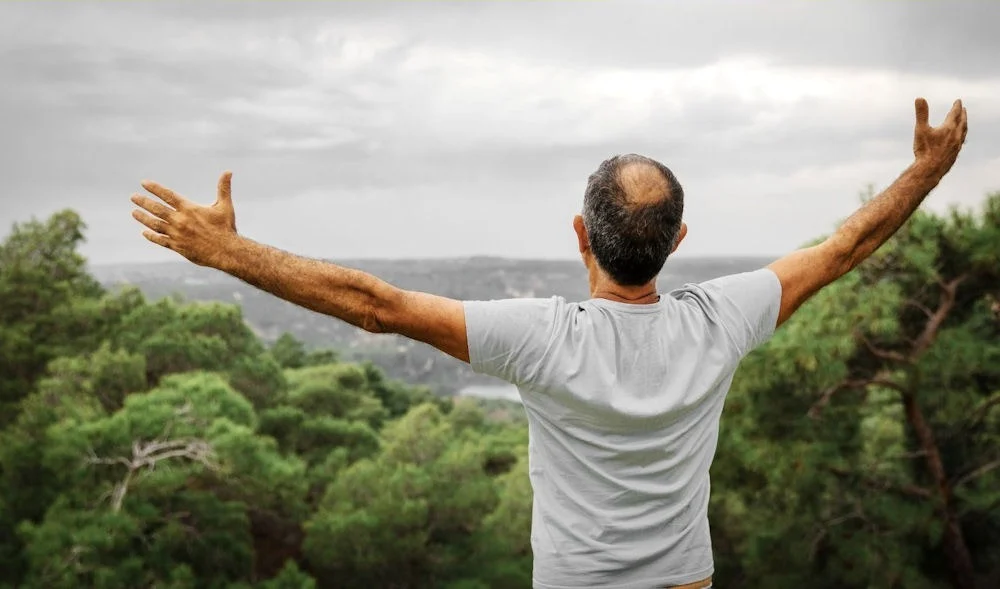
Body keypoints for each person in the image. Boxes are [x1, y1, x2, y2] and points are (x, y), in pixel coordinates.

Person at [130, 98, 968, 589]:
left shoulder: (539, 339)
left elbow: (373, 305)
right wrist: (925, 173)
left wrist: (226, 252)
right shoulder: (725, 316)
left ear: (580, 234)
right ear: (678, 242)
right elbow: (845, 247)